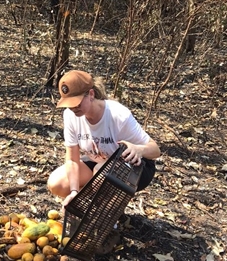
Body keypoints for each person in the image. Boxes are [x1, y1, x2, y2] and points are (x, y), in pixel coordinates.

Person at [47, 70, 160, 210]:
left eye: (77, 103)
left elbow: (155, 150)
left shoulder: (117, 115)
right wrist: (74, 191)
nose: (73, 108)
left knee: (101, 174)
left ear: (91, 94)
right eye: (69, 104)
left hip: (137, 167)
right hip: (100, 161)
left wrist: (138, 149)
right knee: (57, 183)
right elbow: (72, 160)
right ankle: (96, 205)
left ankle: (108, 207)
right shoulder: (70, 116)